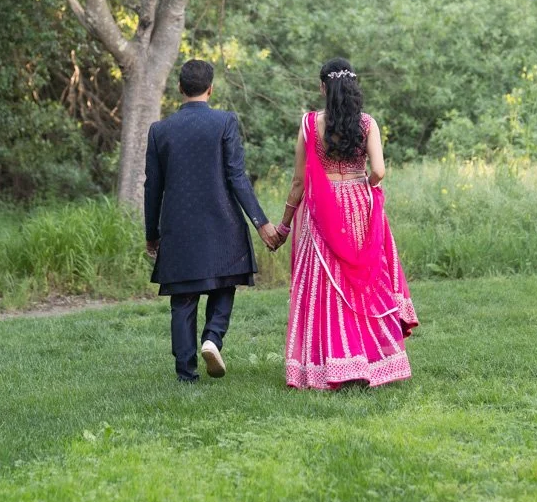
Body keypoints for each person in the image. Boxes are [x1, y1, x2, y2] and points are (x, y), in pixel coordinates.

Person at [275, 58, 418, 389]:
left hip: (322, 211)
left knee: (322, 286)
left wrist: (283, 226)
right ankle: (371, 360)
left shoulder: (310, 124)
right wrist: (364, 184)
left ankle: (327, 366)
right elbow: (379, 171)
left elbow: (298, 183)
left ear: (323, 87)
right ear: (354, 86)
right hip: (358, 206)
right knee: (362, 282)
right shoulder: (367, 123)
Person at [143, 59, 282, 382]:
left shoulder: (160, 131)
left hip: (178, 229)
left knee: (183, 299)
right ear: (211, 88)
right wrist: (261, 223)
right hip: (223, 222)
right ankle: (212, 338)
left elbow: (153, 187)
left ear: (180, 88)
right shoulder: (224, 122)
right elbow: (237, 177)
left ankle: (185, 372)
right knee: (225, 283)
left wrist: (152, 233)